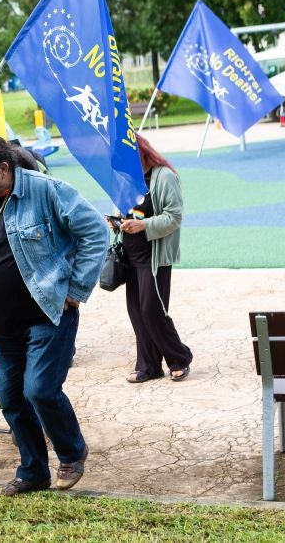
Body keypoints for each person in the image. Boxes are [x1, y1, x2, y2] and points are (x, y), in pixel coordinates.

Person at [0, 133, 108, 496]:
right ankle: (33, 471)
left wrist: (76, 290)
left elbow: (96, 232)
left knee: (40, 389)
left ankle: (72, 452)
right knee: (11, 399)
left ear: (4, 168)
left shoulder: (46, 190)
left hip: (47, 313)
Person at [111, 134, 193, 384]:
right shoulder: (127, 179)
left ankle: (180, 357)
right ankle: (148, 367)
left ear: (142, 152)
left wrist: (143, 225)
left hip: (154, 258)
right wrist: (115, 222)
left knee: (152, 310)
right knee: (136, 312)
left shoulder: (164, 177)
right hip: (130, 257)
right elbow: (122, 209)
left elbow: (174, 217)